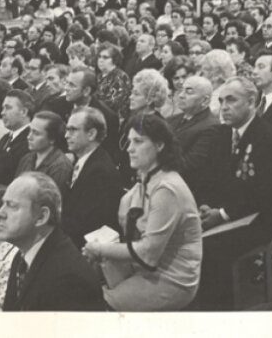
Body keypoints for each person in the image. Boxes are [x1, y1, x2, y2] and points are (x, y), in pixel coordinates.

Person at [83, 113, 202, 311]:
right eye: (129, 141)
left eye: (138, 141)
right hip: (146, 269)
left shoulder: (167, 188)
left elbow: (148, 253)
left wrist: (100, 249)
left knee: (94, 306)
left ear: (159, 145)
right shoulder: (146, 179)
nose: (129, 148)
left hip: (171, 279)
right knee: (81, 285)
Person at [196, 77, 272, 310]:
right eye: (221, 101)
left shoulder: (269, 139)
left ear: (251, 101)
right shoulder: (220, 134)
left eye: (231, 100)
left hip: (256, 219)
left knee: (210, 249)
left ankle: (220, 313)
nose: (224, 107)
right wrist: (205, 206)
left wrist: (222, 214)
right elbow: (207, 178)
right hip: (221, 212)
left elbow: (266, 196)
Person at [0, 172, 104, 311]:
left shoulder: (70, 281)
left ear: (41, 217)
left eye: (12, 205)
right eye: (3, 204)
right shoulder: (22, 257)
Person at [62, 107, 122, 249]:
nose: (66, 135)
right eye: (67, 130)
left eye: (73, 130)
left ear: (91, 134)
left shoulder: (100, 172)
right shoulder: (86, 161)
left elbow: (87, 224)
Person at [167, 75, 220, 202]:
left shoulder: (212, 126)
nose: (181, 95)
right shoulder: (172, 119)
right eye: (181, 90)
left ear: (205, 100)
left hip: (183, 193)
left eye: (189, 92)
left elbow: (190, 165)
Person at [15, 111, 73, 198]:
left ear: (52, 139)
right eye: (30, 131)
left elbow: (52, 200)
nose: (29, 137)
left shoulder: (61, 167)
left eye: (36, 133)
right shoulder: (27, 159)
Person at [96, 44, 132, 121]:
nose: (100, 60)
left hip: (113, 119)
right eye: (99, 57)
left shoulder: (121, 77)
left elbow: (113, 103)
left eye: (105, 57)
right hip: (97, 116)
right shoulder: (99, 76)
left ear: (114, 60)